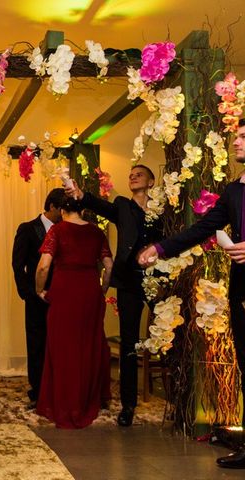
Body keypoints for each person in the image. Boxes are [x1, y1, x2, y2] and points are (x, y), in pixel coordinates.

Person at [138, 119, 245, 469]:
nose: (237, 142)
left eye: (243, 137)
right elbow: (203, 228)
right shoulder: (233, 192)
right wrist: (160, 248)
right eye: (236, 136)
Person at [66, 164, 163, 427]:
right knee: (130, 343)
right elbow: (100, 206)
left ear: (152, 182)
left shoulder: (163, 207)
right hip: (129, 281)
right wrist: (80, 195)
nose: (132, 177)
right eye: (130, 175)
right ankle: (128, 406)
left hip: (158, 279)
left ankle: (173, 396)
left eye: (139, 174)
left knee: (168, 339)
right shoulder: (122, 205)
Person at [35, 195, 113, 429]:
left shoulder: (57, 230)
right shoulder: (96, 232)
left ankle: (64, 403)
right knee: (88, 345)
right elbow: (109, 265)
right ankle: (87, 400)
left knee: (62, 347)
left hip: (64, 289)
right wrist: (102, 289)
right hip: (89, 289)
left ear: (62, 210)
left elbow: (43, 266)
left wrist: (39, 289)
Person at [12, 188, 65, 406]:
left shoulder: (66, 229)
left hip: (62, 295)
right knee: (36, 342)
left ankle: (58, 386)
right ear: (52, 206)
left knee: (60, 342)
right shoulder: (27, 229)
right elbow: (18, 264)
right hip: (36, 296)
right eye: (62, 208)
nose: (65, 213)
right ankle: (38, 389)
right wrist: (28, 293)